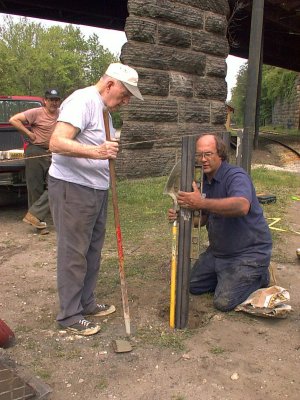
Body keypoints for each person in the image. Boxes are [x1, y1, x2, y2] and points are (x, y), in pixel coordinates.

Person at [48, 63, 143, 336]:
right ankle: (69, 314)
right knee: (74, 253)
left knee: (92, 250)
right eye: (125, 94)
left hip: (95, 190)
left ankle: (86, 302)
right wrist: (98, 152)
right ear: (110, 84)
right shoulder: (83, 100)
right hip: (73, 188)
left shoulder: (104, 111)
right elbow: (57, 142)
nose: (126, 101)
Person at [168, 134, 272, 311]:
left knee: (223, 302)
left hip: (248, 253)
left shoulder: (236, 176)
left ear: (220, 154)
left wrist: (200, 202)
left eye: (208, 154)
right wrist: (181, 218)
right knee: (192, 285)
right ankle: (229, 276)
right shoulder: (206, 182)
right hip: (220, 253)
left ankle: (259, 275)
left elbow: (242, 206)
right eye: (199, 155)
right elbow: (204, 218)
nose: (203, 159)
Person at [9, 89, 61, 234]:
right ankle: (39, 225)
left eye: (56, 100)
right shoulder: (36, 112)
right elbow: (13, 120)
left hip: (53, 152)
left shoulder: (62, 113)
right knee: (35, 188)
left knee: (56, 184)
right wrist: (29, 133)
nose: (54, 103)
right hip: (35, 151)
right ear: (45, 100)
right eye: (51, 100)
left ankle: (34, 215)